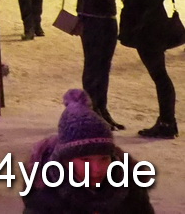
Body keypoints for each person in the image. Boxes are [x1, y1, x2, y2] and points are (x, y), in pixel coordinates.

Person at [21, 90, 156, 213]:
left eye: (104, 159)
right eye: (85, 160)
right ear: (65, 161)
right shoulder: (44, 193)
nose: (97, 169)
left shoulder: (130, 186)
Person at [118, 0, 176, 139]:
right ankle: (167, 121)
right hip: (148, 22)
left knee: (159, 74)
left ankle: (167, 121)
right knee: (159, 74)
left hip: (149, 24)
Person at [68, 0, 123, 129]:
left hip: (108, 14)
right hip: (90, 15)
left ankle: (102, 107)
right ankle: (91, 110)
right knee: (92, 65)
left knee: (104, 66)